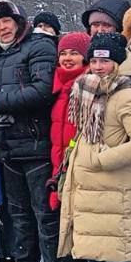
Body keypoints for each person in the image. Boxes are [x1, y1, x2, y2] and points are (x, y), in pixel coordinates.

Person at [58, 32, 131, 262]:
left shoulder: (127, 96)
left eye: (105, 61)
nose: (98, 67)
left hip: (115, 197)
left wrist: (102, 160)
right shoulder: (86, 92)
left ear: (117, 63)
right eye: (94, 61)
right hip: (89, 198)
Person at [0, 0, 58, 262]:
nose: (2, 28)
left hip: (36, 145)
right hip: (7, 145)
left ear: (18, 22)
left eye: (6, 22)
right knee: (19, 214)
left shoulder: (40, 46)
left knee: (46, 216)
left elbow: (43, 90)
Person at [49, 32, 90, 213]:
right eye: (63, 53)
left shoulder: (90, 86)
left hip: (80, 166)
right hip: (60, 165)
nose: (67, 58)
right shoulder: (57, 86)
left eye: (74, 53)